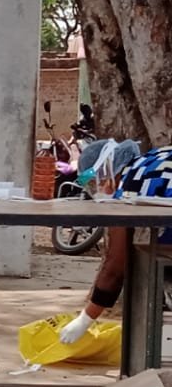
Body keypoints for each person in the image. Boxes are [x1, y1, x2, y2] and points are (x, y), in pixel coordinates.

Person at [58, 139, 172, 344]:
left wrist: (85, 320)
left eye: (95, 182)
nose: (99, 189)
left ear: (106, 171)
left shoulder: (128, 187)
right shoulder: (153, 158)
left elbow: (115, 266)